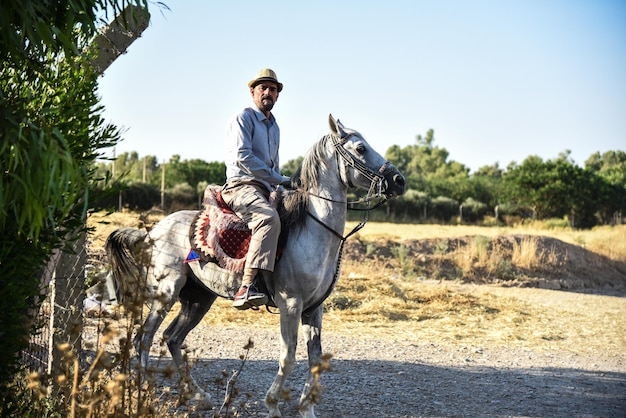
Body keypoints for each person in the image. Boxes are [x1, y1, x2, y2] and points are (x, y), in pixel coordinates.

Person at [221, 68, 290, 310]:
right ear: (253, 92)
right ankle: (246, 286)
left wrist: (283, 187)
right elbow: (243, 157)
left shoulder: (275, 126)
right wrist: (278, 179)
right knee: (268, 219)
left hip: (265, 188)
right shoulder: (244, 117)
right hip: (241, 186)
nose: (268, 92)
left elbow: (274, 163)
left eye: (273, 89)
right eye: (263, 88)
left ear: (278, 95)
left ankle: (282, 283)